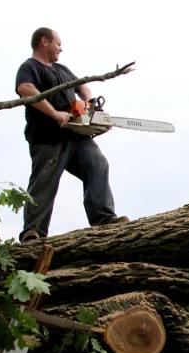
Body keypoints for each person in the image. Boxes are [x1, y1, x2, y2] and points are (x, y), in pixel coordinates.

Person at [16, 27, 126, 242]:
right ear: (44, 42)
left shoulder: (62, 69)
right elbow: (25, 89)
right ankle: (33, 231)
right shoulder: (30, 67)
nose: (61, 48)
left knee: (97, 164)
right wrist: (54, 113)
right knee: (44, 181)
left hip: (76, 135)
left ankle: (103, 219)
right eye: (58, 43)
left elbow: (82, 87)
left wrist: (86, 102)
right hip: (48, 137)